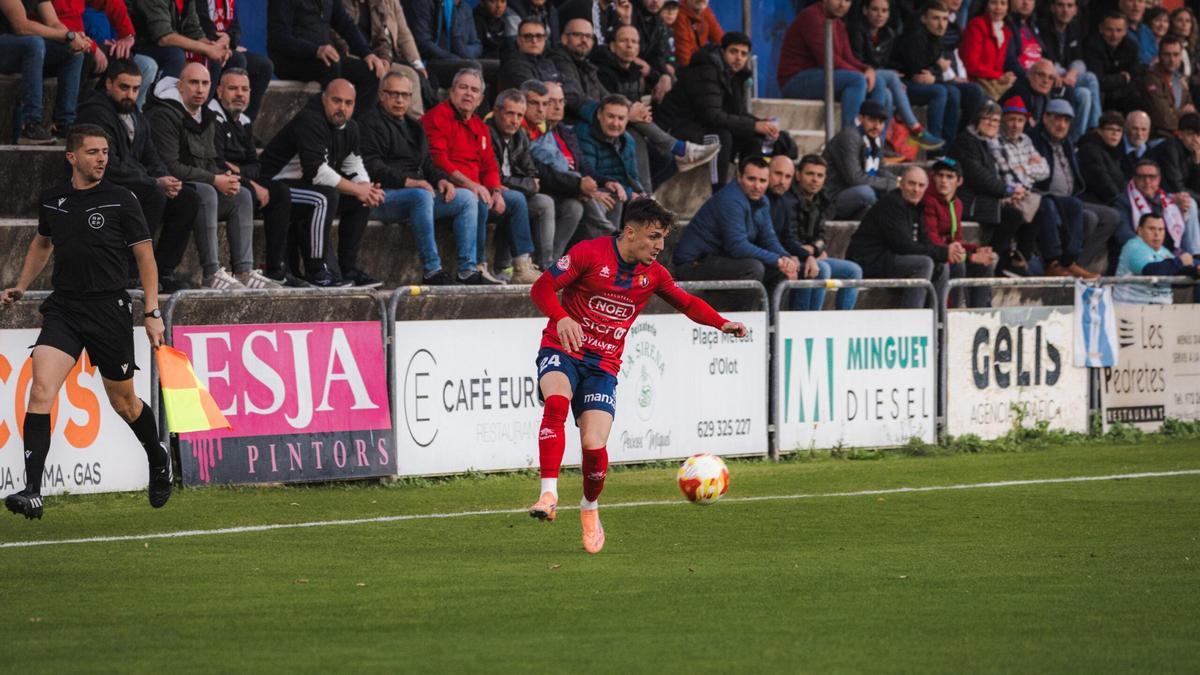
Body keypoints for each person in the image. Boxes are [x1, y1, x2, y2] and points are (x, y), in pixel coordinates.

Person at [527, 197, 748, 553]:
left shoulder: (653, 275)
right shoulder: (589, 254)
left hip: (603, 366)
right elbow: (541, 288)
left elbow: (687, 303)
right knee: (555, 400)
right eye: (654, 236)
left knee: (594, 447)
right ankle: (548, 494)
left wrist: (721, 322)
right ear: (629, 232)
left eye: (663, 238)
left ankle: (589, 507)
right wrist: (562, 317)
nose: (660, 246)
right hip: (563, 348)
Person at [2, 124, 172, 520]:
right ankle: (32, 490)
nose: (101, 159)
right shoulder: (53, 200)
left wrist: (152, 312)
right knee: (41, 387)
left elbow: (146, 257)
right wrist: (22, 286)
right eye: (93, 152)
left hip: (108, 310)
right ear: (71, 157)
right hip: (64, 308)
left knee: (124, 403)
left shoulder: (120, 199)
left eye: (105, 152)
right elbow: (42, 242)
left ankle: (156, 452)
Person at [75, 58, 199, 292]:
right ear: (109, 84)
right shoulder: (95, 112)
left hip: (134, 184)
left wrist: (165, 178)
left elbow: (151, 156)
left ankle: (162, 271)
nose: (130, 94)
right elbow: (105, 164)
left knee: (188, 199)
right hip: (98, 186)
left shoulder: (135, 115)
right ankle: (131, 271)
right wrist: (154, 182)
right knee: (152, 194)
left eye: (135, 89)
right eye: (124, 87)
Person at [145, 63, 272, 289]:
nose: (200, 89)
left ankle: (244, 270)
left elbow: (211, 162)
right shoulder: (163, 115)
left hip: (198, 188)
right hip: (170, 190)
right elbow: (170, 166)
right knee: (206, 191)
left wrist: (226, 178)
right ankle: (212, 273)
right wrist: (215, 180)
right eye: (193, 83)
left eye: (205, 83)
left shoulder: (207, 116)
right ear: (180, 86)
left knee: (241, 194)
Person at [259, 78, 386, 288]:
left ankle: (348, 267)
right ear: (324, 99)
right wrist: (358, 190)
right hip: (274, 186)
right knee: (324, 197)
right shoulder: (310, 120)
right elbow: (318, 172)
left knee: (358, 201)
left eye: (348, 103)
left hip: (304, 187)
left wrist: (366, 188)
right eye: (336, 101)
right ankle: (316, 271)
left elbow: (354, 162)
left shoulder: (351, 127)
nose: (342, 108)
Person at [359, 72, 483, 285]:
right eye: (394, 94)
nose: (400, 100)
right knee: (421, 195)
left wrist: (441, 180)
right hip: (380, 196)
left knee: (467, 199)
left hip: (415, 196)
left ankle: (467, 270)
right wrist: (409, 182)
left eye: (405, 95)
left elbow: (427, 163)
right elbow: (371, 166)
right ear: (381, 95)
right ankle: (432, 270)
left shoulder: (414, 125)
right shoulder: (368, 122)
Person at [550, 18, 719, 174]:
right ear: (564, 38)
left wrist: (630, 108)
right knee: (634, 135)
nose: (584, 40)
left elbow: (606, 95)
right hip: (578, 123)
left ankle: (647, 192)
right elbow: (574, 98)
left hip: (602, 119)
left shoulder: (586, 65)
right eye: (578, 35)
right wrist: (623, 113)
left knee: (662, 155)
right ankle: (677, 153)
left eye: (588, 36)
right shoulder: (562, 60)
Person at [423, 68, 539, 283]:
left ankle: (522, 265)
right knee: (477, 198)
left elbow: (489, 166)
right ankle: (478, 265)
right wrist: (472, 185)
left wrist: (495, 189)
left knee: (516, 200)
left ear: (481, 99)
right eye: (463, 87)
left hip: (477, 191)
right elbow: (438, 160)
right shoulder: (437, 117)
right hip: (448, 191)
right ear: (451, 91)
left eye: (474, 90)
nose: (468, 94)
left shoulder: (479, 125)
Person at [657, 33, 792, 190]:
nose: (738, 58)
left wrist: (761, 124)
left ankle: (746, 189)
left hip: (703, 127)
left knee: (754, 140)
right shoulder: (706, 70)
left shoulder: (735, 76)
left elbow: (738, 113)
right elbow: (711, 116)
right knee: (721, 137)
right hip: (677, 127)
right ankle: (719, 193)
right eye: (733, 52)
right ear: (722, 51)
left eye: (743, 54)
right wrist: (754, 125)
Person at [210, 68, 301, 287]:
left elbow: (256, 165)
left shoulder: (244, 121)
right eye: (233, 89)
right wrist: (245, 178)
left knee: (280, 192)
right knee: (248, 192)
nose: (239, 94)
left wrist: (241, 172)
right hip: (218, 182)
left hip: (237, 177)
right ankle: (240, 270)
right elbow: (216, 163)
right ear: (220, 91)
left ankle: (275, 268)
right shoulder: (211, 117)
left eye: (244, 89)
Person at [672, 156, 800, 288]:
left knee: (781, 270)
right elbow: (737, 246)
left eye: (763, 181)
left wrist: (787, 259)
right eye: (751, 179)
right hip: (693, 263)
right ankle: (732, 309)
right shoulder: (730, 200)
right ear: (739, 177)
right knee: (754, 268)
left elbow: (769, 239)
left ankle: (766, 309)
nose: (757, 186)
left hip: (719, 258)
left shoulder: (763, 201)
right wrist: (777, 260)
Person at [1030, 98, 1121, 274]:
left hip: (1071, 198)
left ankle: (1076, 263)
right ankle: (1063, 263)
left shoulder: (1067, 143)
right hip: (1046, 197)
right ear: (1046, 118)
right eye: (1057, 119)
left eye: (1066, 120)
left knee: (1112, 216)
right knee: (1089, 218)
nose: (1061, 125)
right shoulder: (1034, 139)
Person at [528, 80, 616, 262]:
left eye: (561, 101)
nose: (557, 107)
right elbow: (543, 173)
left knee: (612, 194)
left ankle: (559, 262)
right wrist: (578, 186)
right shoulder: (535, 134)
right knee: (583, 199)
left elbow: (583, 164)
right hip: (552, 189)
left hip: (571, 188)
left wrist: (605, 181)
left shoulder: (564, 131)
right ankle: (609, 234)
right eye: (551, 102)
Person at [847, 166, 955, 309]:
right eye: (911, 183)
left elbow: (925, 241)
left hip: (889, 258)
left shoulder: (918, 206)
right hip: (868, 260)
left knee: (942, 264)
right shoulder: (892, 203)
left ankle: (937, 322)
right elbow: (903, 246)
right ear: (901, 184)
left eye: (921, 185)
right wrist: (943, 252)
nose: (916, 189)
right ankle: (913, 320)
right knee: (924, 263)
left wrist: (946, 253)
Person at [767, 154, 861, 311]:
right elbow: (788, 239)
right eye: (810, 174)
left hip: (809, 255)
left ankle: (843, 325)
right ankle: (807, 321)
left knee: (853, 271)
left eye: (820, 175)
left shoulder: (822, 200)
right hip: (793, 256)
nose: (815, 179)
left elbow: (822, 237)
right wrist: (810, 252)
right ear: (798, 175)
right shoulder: (786, 200)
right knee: (822, 269)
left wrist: (814, 249)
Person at [947, 101, 1029, 276]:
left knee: (1031, 213)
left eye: (996, 120)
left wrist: (1013, 190)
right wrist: (1007, 190)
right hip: (969, 201)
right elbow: (977, 176)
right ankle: (994, 263)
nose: (992, 124)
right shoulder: (966, 141)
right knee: (1012, 216)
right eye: (987, 119)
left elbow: (995, 175)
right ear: (976, 120)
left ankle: (1007, 262)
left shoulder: (988, 144)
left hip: (983, 198)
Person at [848, 0, 943, 150]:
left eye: (884, 11)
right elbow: (856, 61)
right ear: (865, 11)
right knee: (891, 78)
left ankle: (878, 146)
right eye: (875, 9)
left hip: (876, 79)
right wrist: (887, 75)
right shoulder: (856, 30)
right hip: (857, 75)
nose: (879, 15)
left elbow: (884, 63)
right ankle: (916, 129)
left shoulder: (888, 34)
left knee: (888, 94)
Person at [892, 1, 986, 145]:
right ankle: (938, 147)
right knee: (944, 92)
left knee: (974, 90)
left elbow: (933, 73)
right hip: (906, 84)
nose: (941, 24)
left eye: (944, 19)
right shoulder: (915, 37)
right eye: (935, 18)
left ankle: (960, 141)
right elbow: (920, 75)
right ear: (924, 18)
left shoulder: (935, 36)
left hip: (933, 82)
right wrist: (939, 77)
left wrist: (939, 76)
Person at [779, 0, 880, 130]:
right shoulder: (811, 16)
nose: (842, 4)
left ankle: (874, 146)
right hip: (794, 80)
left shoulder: (839, 24)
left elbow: (848, 58)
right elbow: (828, 60)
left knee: (880, 86)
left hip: (824, 77)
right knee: (858, 80)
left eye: (848, 1)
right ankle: (849, 140)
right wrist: (861, 74)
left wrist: (867, 69)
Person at [266, 0, 388, 104]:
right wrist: (316, 50)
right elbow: (278, 38)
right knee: (331, 63)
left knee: (371, 71)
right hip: (290, 60)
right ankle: (326, 124)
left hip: (321, 58)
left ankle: (353, 126)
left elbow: (346, 25)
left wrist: (367, 53)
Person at [0, 0, 86, 144]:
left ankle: (63, 125)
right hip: (6, 46)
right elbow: (21, 26)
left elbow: (53, 22)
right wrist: (67, 35)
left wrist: (73, 38)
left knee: (73, 53)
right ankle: (31, 125)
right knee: (34, 43)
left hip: (20, 50)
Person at [488, 88, 550, 283]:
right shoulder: (486, 132)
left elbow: (532, 174)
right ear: (496, 111)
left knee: (545, 202)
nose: (515, 120)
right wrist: (524, 184)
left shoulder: (520, 135)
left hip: (514, 193)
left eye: (519, 115)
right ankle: (515, 266)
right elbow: (494, 177)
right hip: (491, 193)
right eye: (510, 113)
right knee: (516, 199)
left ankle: (544, 265)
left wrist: (521, 184)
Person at [50, 0, 158, 107]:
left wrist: (127, 34)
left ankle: (105, 110)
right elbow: (62, 23)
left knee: (122, 55)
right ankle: (74, 113)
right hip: (54, 41)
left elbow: (108, 2)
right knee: (83, 54)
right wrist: (92, 46)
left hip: (81, 38)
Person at [921, 156, 997, 307]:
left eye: (949, 177)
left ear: (959, 181)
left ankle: (978, 316)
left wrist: (976, 250)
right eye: (940, 175)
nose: (944, 181)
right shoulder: (928, 201)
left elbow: (955, 240)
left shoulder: (957, 204)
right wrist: (969, 257)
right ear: (933, 178)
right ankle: (950, 315)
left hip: (947, 253)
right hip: (933, 256)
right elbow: (932, 241)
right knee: (959, 264)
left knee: (985, 264)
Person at [335, 0, 428, 115]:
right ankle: (374, 123)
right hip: (351, 56)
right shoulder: (342, 3)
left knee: (411, 74)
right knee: (374, 73)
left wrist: (385, 59)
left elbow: (384, 37)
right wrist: (366, 57)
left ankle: (415, 125)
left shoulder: (377, 3)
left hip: (376, 57)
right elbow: (338, 37)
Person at [575, 94, 646, 228]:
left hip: (619, 190)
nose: (615, 123)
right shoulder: (584, 133)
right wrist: (630, 194)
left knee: (646, 210)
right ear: (599, 115)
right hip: (596, 189)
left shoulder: (628, 140)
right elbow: (589, 174)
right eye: (611, 116)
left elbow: (632, 176)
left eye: (621, 118)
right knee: (615, 198)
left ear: (627, 120)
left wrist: (642, 195)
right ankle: (608, 245)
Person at [194, 0, 273, 121]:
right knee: (236, 60)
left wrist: (229, 38)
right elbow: (201, 23)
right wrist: (222, 44)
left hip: (225, 45)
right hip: (203, 44)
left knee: (264, 66)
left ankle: (244, 124)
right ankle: (219, 120)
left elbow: (235, 28)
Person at [1039, 0, 1104, 138]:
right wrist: (1057, 72)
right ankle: (1096, 127)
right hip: (1050, 77)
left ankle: (1076, 139)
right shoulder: (1043, 27)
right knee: (1090, 78)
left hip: (1067, 79)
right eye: (1060, 5)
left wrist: (1073, 72)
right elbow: (1043, 58)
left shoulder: (1074, 28)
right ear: (1052, 8)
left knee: (1085, 94)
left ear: (1075, 10)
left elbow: (1079, 59)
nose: (1065, 10)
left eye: (1070, 6)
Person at [821, 100, 894, 219]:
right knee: (867, 193)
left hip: (855, 195)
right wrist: (889, 184)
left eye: (881, 122)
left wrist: (899, 182)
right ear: (860, 118)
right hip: (833, 197)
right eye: (872, 120)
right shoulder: (850, 137)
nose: (877, 126)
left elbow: (880, 170)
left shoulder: (876, 138)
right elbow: (855, 179)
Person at [1114, 159, 1200, 257]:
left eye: (1152, 177)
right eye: (1141, 177)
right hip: (1143, 253)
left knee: (1190, 203)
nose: (1147, 181)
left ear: (1159, 179)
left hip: (1172, 252)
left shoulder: (1168, 199)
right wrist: (1158, 253)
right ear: (1134, 179)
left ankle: (1194, 254)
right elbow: (1123, 234)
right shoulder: (1123, 201)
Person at [130, 0, 229, 80]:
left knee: (217, 59)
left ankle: (202, 104)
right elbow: (164, 37)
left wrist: (215, 48)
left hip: (166, 45)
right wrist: (207, 49)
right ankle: (164, 101)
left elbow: (193, 30)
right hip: (140, 46)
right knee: (175, 55)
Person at [1113, 213, 1199, 303]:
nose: (1157, 234)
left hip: (1160, 310)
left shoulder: (1165, 251)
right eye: (1151, 229)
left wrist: (1195, 272)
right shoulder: (1133, 246)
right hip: (1130, 308)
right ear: (1140, 231)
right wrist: (1180, 261)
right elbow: (1151, 271)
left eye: (1161, 229)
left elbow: (1176, 278)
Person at [406, 0, 490, 88]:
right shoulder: (422, 3)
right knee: (472, 67)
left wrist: (465, 54)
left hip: (458, 57)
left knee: (496, 67)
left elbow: (477, 45)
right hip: (430, 60)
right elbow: (423, 44)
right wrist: (455, 57)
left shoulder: (463, 8)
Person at [1084, 11, 1145, 113]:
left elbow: (1136, 73)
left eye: (1119, 30)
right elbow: (1097, 80)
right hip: (1103, 94)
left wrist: (1117, 82)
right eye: (1109, 30)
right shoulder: (1092, 45)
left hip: (1123, 93)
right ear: (1101, 29)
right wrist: (1123, 78)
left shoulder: (1131, 46)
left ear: (1125, 31)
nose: (1114, 35)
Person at [1140, 36, 1196, 138]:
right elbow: (1164, 118)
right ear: (1159, 55)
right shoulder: (1151, 79)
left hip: (1183, 137)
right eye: (1167, 55)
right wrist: (1182, 113)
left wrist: (1174, 111)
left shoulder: (1179, 80)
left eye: (1176, 55)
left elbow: (1192, 112)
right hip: (1161, 138)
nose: (1172, 60)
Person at [961, 0, 1016, 100]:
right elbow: (971, 65)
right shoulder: (977, 25)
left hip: (991, 84)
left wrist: (1006, 77)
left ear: (1008, 8)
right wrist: (999, 76)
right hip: (973, 82)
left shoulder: (1005, 31)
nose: (998, 7)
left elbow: (998, 68)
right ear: (986, 5)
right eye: (994, 3)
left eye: (1003, 3)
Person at [1078, 110, 1128, 205]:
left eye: (1119, 130)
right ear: (1099, 131)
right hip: (1091, 201)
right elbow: (1101, 181)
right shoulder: (1090, 149)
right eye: (1110, 129)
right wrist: (1121, 203)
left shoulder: (1116, 152)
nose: (1115, 134)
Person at [498, 17, 560, 91]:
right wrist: (556, 88)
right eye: (528, 36)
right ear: (518, 40)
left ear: (545, 40)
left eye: (539, 36)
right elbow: (535, 92)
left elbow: (572, 90)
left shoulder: (549, 63)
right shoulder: (513, 65)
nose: (534, 41)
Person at [670, 0, 721, 66]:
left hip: (700, 65)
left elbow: (721, 40)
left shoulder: (705, 11)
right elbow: (683, 59)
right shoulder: (679, 15)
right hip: (685, 68)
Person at [1119, 0, 1157, 65]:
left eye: (1140, 1)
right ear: (1121, 4)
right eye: (1131, 1)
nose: (1136, 5)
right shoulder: (1115, 30)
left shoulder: (1147, 31)